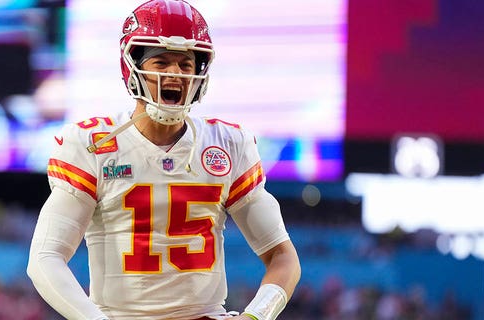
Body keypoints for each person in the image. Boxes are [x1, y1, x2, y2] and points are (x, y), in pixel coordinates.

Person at [26, 1, 301, 319]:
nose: (176, 74)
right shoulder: (93, 145)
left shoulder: (228, 144)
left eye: (186, 65)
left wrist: (256, 316)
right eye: (162, 62)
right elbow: (45, 257)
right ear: (133, 67)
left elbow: (282, 256)